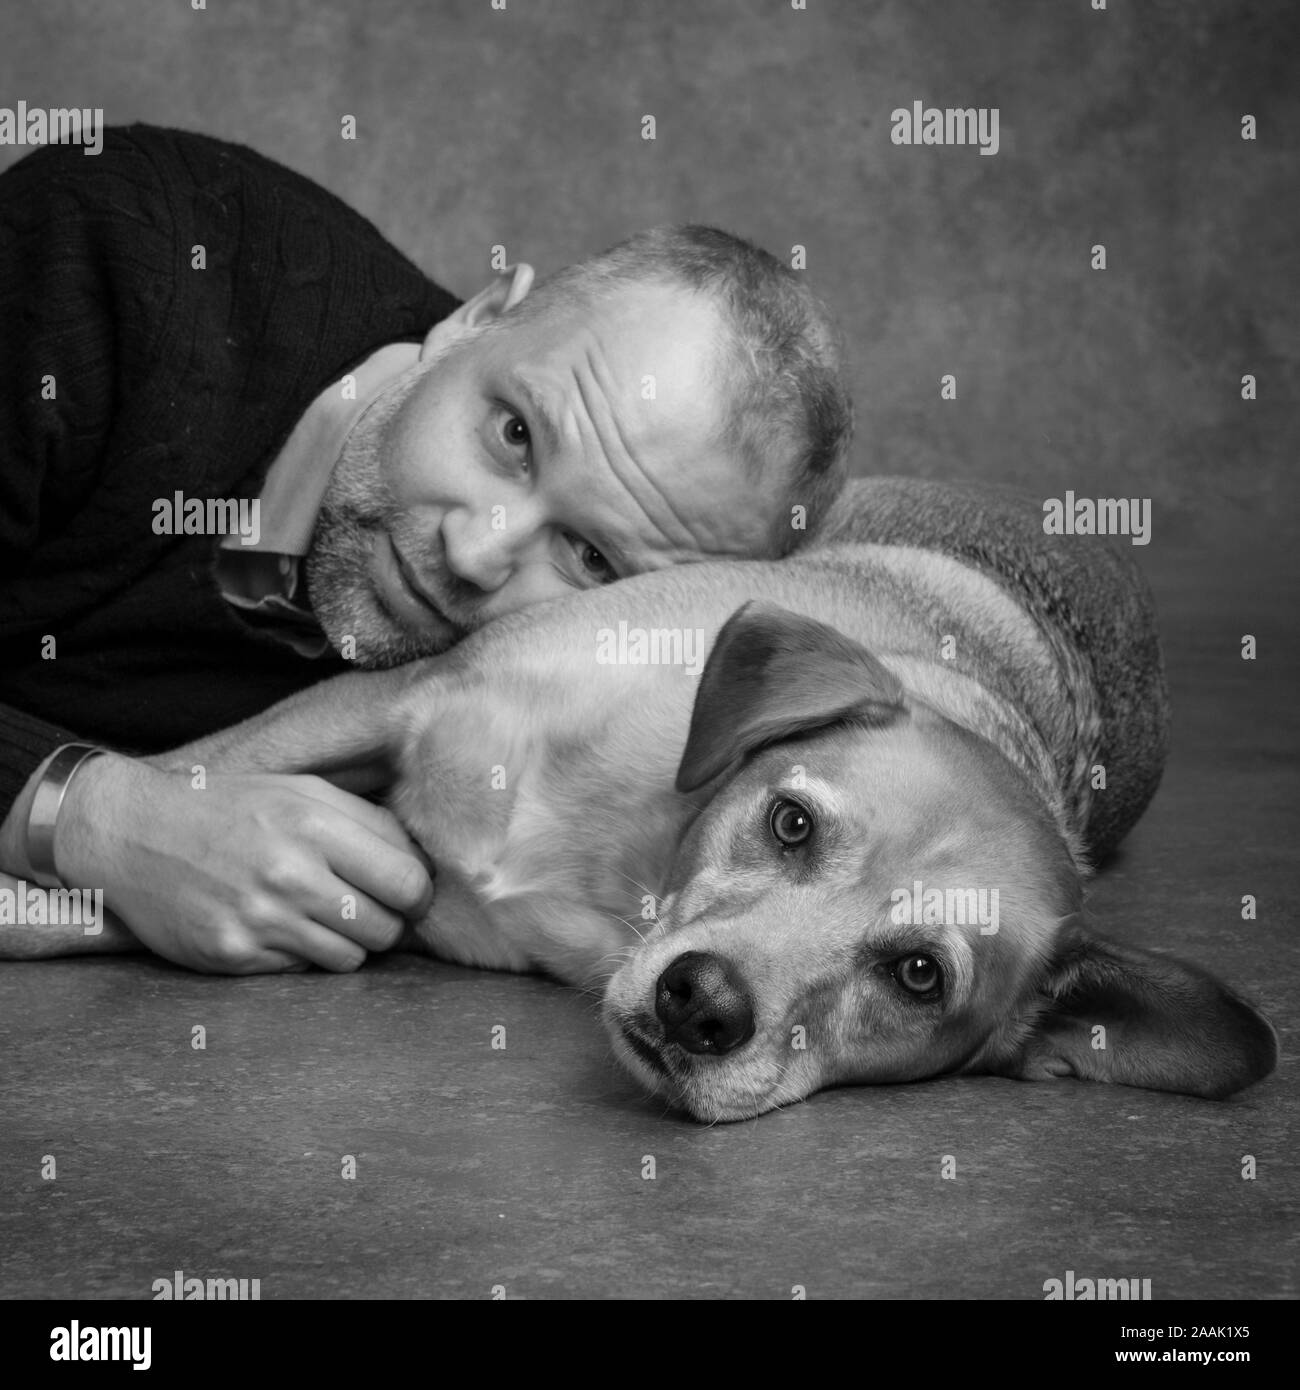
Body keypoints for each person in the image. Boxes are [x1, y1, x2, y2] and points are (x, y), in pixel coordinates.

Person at [0, 124, 852, 974]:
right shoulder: (109, 254)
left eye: (592, 559)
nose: (477, 551)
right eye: (515, 435)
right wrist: (94, 819)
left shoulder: (525, 722)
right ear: (476, 320)